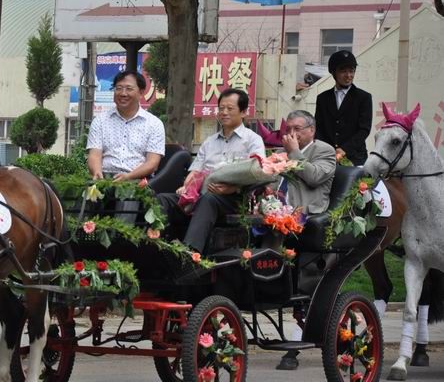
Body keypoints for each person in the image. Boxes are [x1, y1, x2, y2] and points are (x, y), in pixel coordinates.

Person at [157, 88, 265, 254]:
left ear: (243, 112)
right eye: (221, 108)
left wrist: (233, 188)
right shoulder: (209, 142)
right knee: (164, 198)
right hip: (201, 192)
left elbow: (259, 173)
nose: (224, 113)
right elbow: (195, 170)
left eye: (230, 109)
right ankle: (158, 245)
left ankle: (190, 252)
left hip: (233, 198)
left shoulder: (252, 140)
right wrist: (187, 186)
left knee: (209, 200)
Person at [275, 110, 336, 371]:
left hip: (309, 216)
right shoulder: (285, 149)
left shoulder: (324, 150)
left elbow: (314, 176)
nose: (292, 134)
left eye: (297, 129)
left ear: (311, 129)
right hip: (279, 214)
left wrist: (294, 154)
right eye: (289, 128)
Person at [86, 70, 166, 181]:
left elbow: (152, 162)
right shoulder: (100, 121)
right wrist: (97, 172)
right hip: (105, 178)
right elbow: (94, 155)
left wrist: (129, 176)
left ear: (141, 92)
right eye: (118, 88)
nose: (123, 93)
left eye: (129, 89)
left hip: (139, 181)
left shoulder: (154, 124)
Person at [315, 50, 373, 165]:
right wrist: (328, 150)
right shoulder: (322, 98)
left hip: (355, 157)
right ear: (333, 73)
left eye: (351, 71)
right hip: (328, 158)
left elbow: (364, 130)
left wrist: (344, 149)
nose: (348, 75)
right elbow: (318, 128)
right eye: (343, 71)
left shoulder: (363, 97)